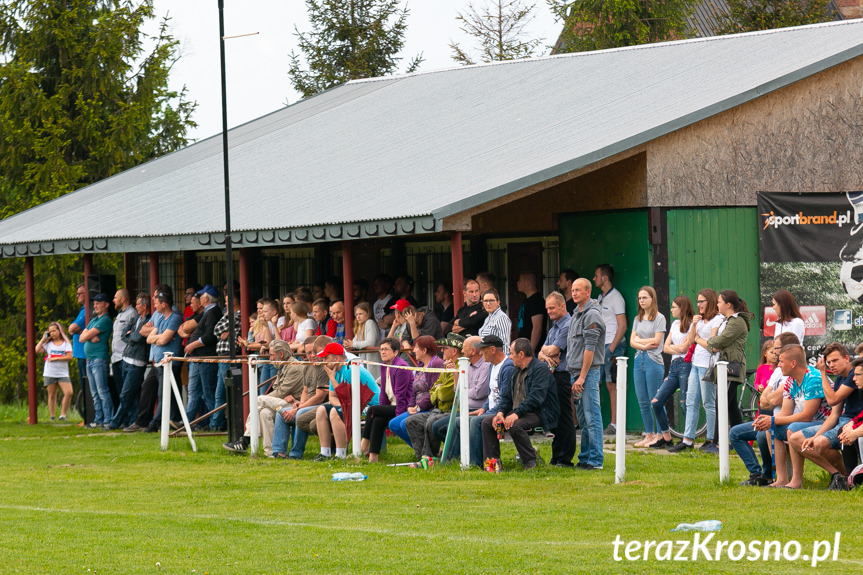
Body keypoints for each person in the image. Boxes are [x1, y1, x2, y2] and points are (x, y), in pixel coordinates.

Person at [752, 344, 828, 488]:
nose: (778, 365)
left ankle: (796, 481)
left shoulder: (813, 378)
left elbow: (807, 416)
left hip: (825, 423)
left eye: (781, 361)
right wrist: (767, 421)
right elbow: (786, 412)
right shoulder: (790, 381)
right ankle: (781, 479)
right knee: (771, 428)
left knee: (792, 428)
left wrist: (773, 419)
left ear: (793, 363)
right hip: (807, 422)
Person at [789, 343, 863, 490]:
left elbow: (832, 399)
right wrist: (815, 435)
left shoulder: (854, 375)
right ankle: (840, 476)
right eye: (829, 362)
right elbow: (834, 414)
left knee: (820, 443)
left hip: (853, 421)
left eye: (835, 361)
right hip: (845, 420)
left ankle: (850, 477)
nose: (831, 365)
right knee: (795, 438)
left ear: (847, 358)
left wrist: (823, 373)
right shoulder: (840, 379)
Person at [481, 338, 559, 471]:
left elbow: (536, 398)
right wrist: (500, 413)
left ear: (521, 354)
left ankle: (530, 462)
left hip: (541, 412)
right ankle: (493, 464)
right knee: (487, 422)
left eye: (512, 353)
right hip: (521, 411)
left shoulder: (540, 369)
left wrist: (516, 414)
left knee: (515, 425)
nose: (510, 357)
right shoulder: (514, 370)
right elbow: (506, 397)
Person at [729, 335, 795, 486]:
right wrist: (768, 396)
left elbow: (771, 400)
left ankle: (767, 476)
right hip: (767, 416)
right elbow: (765, 402)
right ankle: (756, 473)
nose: (774, 352)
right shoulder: (778, 370)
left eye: (776, 348)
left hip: (779, 420)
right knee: (735, 433)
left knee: (761, 435)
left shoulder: (787, 371)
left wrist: (768, 396)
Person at [223, 340, 305, 456]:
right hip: (284, 402)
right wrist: (281, 394)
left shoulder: (294, 367)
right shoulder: (283, 366)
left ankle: (246, 439)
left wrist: (272, 396)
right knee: (264, 413)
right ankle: (271, 453)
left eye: (271, 355)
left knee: (259, 400)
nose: (270, 359)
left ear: (280, 354)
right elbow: (278, 390)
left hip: (297, 405)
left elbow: (280, 391)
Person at [669, 289, 723, 453]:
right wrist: (693, 324)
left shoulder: (717, 319)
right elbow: (690, 339)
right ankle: (687, 440)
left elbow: (712, 344)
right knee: (691, 401)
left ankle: (710, 439)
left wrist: (699, 339)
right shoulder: (698, 320)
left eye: (702, 301)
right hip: (695, 362)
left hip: (708, 364)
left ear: (710, 301)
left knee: (708, 402)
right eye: (697, 301)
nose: (698, 305)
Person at [313, 342, 380, 461]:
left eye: (326, 357)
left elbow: (348, 400)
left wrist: (333, 380)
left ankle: (340, 454)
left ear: (336, 358)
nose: (323, 361)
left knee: (335, 412)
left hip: (371, 407)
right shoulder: (334, 370)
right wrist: (342, 406)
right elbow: (332, 397)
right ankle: (325, 453)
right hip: (354, 404)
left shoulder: (349, 370)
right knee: (321, 410)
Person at [431, 335, 491, 461]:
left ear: (473, 351)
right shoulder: (467, 365)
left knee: (453, 425)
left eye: (464, 348)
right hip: (463, 408)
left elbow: (478, 393)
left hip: (476, 409)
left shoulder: (485, 366)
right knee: (436, 426)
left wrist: (464, 390)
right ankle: (459, 454)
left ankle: (450, 460)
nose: (462, 351)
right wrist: (455, 373)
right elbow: (457, 390)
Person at [567, 278, 606, 470]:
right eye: (573, 290)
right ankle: (585, 458)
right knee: (583, 419)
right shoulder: (576, 314)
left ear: (588, 292)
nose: (574, 293)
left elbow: (589, 349)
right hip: (575, 373)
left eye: (578, 290)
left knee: (592, 417)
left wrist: (582, 377)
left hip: (587, 374)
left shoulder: (591, 316)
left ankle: (595, 460)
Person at [406, 333, 464, 461]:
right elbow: (433, 392)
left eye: (445, 348)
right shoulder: (446, 365)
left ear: (454, 351)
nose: (441, 350)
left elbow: (445, 395)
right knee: (411, 421)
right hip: (439, 409)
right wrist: (438, 389)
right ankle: (421, 458)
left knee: (431, 421)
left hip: (450, 410)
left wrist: (438, 389)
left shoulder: (460, 367)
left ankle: (428, 459)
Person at [649, 295, 694, 448]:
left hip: (685, 365)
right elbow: (664, 347)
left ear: (682, 308)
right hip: (674, 366)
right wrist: (677, 348)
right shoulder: (674, 324)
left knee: (685, 403)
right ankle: (667, 438)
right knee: (656, 401)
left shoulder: (691, 325)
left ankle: (688, 440)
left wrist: (675, 348)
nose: (671, 309)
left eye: (674, 307)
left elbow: (684, 348)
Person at [706, 290, 754, 433]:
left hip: (732, 367)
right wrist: (712, 345)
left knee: (721, 404)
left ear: (728, 304)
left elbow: (720, 340)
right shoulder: (726, 320)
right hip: (725, 366)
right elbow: (715, 343)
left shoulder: (737, 321)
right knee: (731, 406)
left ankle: (717, 443)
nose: (717, 304)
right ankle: (739, 436)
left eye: (719, 302)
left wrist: (711, 342)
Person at [360, 337, 414, 462]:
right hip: (392, 407)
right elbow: (383, 393)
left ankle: (363, 446)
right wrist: (382, 409)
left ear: (395, 352)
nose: (382, 352)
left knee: (372, 410)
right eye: (381, 349)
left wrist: (398, 418)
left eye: (386, 349)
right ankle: (373, 457)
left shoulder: (401, 367)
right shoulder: (385, 365)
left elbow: (401, 396)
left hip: (404, 408)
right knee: (377, 419)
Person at [538, 291, 576, 467]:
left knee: (564, 417)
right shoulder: (554, 327)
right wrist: (546, 354)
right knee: (556, 416)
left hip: (563, 375)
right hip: (553, 375)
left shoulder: (568, 325)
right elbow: (541, 353)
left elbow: (554, 349)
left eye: (552, 308)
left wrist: (547, 351)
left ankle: (564, 458)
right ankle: (557, 456)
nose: (549, 312)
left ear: (563, 306)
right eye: (547, 308)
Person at [388, 335, 443, 445]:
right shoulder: (420, 365)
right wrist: (410, 406)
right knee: (393, 424)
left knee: (405, 424)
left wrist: (419, 407)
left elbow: (434, 392)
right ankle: (422, 451)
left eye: (416, 347)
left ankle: (428, 453)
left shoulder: (437, 364)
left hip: (431, 408)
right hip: (417, 408)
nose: (414, 350)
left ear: (424, 350)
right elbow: (414, 390)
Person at [107, 293, 151, 430]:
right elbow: (123, 335)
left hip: (137, 362)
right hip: (126, 358)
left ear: (144, 306)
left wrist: (131, 336)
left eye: (138, 304)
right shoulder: (137, 318)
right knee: (132, 393)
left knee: (125, 394)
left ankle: (115, 422)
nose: (136, 306)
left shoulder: (149, 320)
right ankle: (134, 421)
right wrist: (132, 336)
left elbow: (138, 338)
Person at [630, 286, 667, 448]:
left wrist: (640, 342)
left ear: (652, 298)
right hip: (639, 360)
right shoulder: (637, 319)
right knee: (642, 400)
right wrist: (644, 344)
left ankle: (661, 435)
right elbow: (632, 341)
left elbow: (657, 342)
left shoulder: (659, 318)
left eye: (645, 297)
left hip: (654, 360)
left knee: (656, 400)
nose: (642, 301)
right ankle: (649, 434)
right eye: (639, 298)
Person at [593, 264, 626, 436]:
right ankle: (596, 423)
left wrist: (612, 347)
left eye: (596, 275)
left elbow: (623, 325)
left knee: (611, 384)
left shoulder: (616, 298)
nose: (594, 279)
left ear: (604, 277)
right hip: (600, 346)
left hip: (612, 346)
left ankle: (615, 424)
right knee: (596, 384)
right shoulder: (599, 298)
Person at [183, 285, 222, 427]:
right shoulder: (209, 312)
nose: (199, 298)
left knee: (208, 393)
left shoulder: (212, 313)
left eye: (200, 296)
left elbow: (210, 336)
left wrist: (193, 345)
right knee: (197, 393)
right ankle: (188, 423)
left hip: (206, 359)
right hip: (200, 359)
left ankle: (215, 424)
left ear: (206, 299)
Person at [145, 289, 183, 431]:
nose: (154, 305)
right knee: (168, 393)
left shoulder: (174, 318)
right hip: (159, 363)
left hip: (170, 364)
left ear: (164, 304)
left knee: (163, 393)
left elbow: (163, 340)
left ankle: (155, 423)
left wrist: (159, 338)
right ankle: (175, 420)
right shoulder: (161, 319)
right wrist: (159, 337)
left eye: (157, 303)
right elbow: (150, 339)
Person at [79, 293, 113, 428]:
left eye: (98, 303)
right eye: (94, 303)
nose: (95, 305)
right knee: (94, 392)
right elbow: (82, 337)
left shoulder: (105, 320)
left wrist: (87, 335)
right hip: (90, 360)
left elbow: (85, 335)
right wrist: (89, 336)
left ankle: (108, 419)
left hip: (99, 359)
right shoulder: (93, 320)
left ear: (106, 304)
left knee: (102, 390)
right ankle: (98, 419)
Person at [209, 290, 241, 432]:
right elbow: (217, 331)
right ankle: (218, 423)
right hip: (223, 356)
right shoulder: (228, 316)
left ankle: (216, 424)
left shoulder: (238, 315)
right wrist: (227, 319)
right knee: (221, 392)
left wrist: (227, 318)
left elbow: (217, 329)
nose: (225, 304)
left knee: (224, 392)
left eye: (227, 301)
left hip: (229, 356)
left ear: (233, 302)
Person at [35, 322, 73, 421]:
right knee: (52, 395)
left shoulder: (66, 344)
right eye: (50, 331)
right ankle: (52, 417)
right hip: (50, 372)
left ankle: (63, 415)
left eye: (54, 331)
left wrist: (56, 359)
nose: (52, 333)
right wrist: (43, 339)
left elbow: (69, 357)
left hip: (62, 373)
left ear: (59, 331)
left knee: (69, 392)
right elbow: (37, 350)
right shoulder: (48, 344)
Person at [110, 289, 137, 406]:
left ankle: (131, 419)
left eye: (116, 298)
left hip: (124, 357)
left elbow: (133, 335)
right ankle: (125, 420)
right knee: (120, 391)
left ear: (123, 299)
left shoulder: (132, 314)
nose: (113, 300)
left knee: (127, 392)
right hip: (115, 358)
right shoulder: (120, 314)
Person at [344, 302, 380, 380]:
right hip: (365, 361)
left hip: (373, 360)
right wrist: (348, 344)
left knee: (374, 383)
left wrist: (353, 344)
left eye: (360, 314)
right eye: (356, 315)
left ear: (368, 313)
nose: (358, 317)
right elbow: (354, 341)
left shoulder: (370, 322)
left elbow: (371, 343)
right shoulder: (360, 326)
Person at [515, 271, 547, 355]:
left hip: (533, 352)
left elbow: (537, 327)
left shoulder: (536, 301)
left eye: (520, 280)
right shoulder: (527, 300)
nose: (517, 283)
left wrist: (531, 350)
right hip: (524, 349)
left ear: (527, 282)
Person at [67, 283, 87, 406]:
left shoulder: (87, 312)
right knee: (82, 385)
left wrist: (76, 329)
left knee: (86, 385)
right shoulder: (82, 311)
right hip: (79, 354)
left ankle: (89, 415)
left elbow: (73, 328)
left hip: (85, 354)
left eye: (79, 293)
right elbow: (71, 329)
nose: (77, 296)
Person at [478, 288, 512, 354]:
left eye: (491, 300)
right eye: (485, 301)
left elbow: (504, 343)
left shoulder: (501, 318)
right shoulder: (488, 318)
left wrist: (504, 362)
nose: (488, 303)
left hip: (498, 358)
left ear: (498, 302)